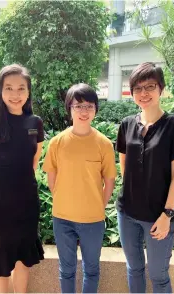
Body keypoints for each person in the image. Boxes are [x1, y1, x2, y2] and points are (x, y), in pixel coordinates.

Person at [115, 62, 174, 293]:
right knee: (134, 268)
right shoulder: (127, 124)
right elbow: (124, 168)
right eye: (137, 88)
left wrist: (167, 215)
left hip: (158, 216)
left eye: (150, 86)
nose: (143, 93)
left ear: (161, 89)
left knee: (158, 275)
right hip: (127, 212)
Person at [0, 64, 44, 293]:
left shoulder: (35, 123)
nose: (15, 94)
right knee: (1, 260)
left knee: (24, 257)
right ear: (0, 91)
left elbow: (35, 161)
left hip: (27, 202)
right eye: (9, 88)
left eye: (21, 88)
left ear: (28, 91)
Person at [43, 83, 117, 293]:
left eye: (89, 106)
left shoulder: (103, 144)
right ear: (70, 108)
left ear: (95, 109)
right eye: (78, 106)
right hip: (62, 218)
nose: (84, 111)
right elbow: (51, 175)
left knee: (91, 269)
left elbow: (109, 180)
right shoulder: (57, 142)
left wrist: (98, 205)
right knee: (66, 269)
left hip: (92, 220)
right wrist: (60, 198)